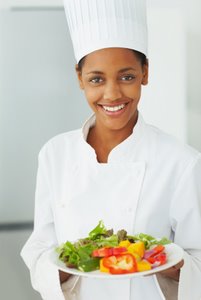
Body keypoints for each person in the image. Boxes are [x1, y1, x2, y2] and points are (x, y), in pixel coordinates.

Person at [21, 0, 201, 299]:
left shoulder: (181, 161)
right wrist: (76, 259)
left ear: (145, 72)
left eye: (127, 77)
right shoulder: (55, 154)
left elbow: (198, 261)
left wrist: (160, 259)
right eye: (96, 79)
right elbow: (40, 248)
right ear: (80, 78)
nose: (112, 93)